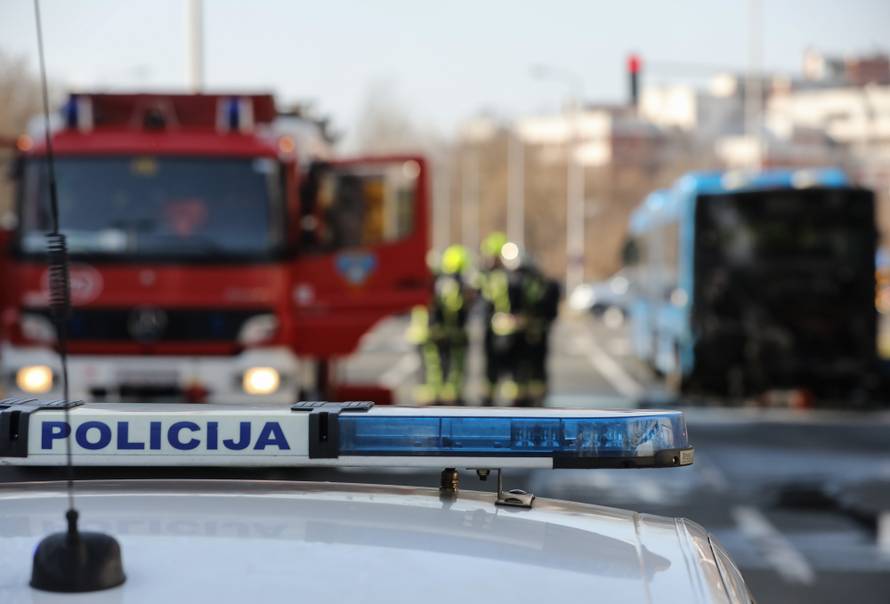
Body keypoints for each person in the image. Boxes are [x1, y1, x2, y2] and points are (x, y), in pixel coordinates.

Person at [410, 245, 471, 405]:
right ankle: (441, 396)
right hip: (440, 331)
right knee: (440, 366)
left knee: (431, 367)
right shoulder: (447, 284)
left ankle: (433, 395)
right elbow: (451, 308)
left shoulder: (426, 284)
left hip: (424, 332)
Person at [479, 237, 528, 406]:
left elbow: (486, 303)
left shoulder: (494, 278)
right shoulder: (520, 278)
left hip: (496, 330)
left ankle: (489, 401)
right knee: (514, 370)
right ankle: (515, 402)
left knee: (494, 369)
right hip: (515, 329)